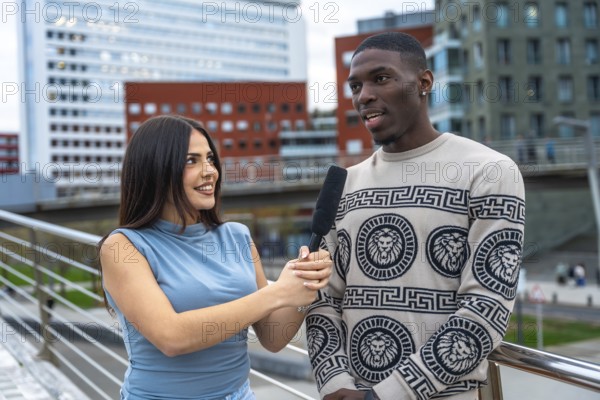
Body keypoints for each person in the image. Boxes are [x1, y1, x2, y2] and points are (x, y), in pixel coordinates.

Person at [305, 32, 525, 400]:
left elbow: (486, 309)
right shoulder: (343, 184)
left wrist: (385, 395)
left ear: (424, 83)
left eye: (381, 78)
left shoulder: (489, 171)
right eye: (356, 86)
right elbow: (322, 300)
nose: (364, 96)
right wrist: (334, 384)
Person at [98, 115, 332, 399]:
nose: (210, 171)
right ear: (155, 171)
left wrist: (303, 285)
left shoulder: (238, 237)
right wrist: (277, 294)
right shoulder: (123, 247)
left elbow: (272, 338)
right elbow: (172, 337)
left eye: (209, 158)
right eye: (190, 161)